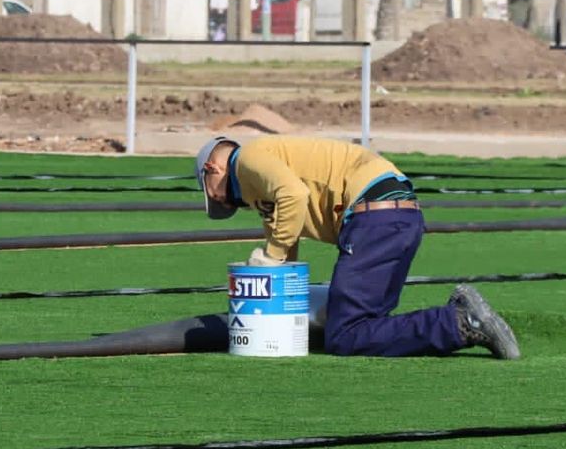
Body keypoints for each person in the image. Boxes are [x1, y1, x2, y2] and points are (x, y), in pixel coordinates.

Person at [195, 135, 520, 360]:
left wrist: (271, 256)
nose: (223, 201)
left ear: (213, 170)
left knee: (346, 335)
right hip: (400, 214)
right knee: (366, 325)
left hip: (373, 215)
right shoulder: (262, 185)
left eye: (214, 193)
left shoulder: (250, 158)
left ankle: (458, 323)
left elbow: (293, 196)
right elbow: (286, 235)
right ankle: (458, 319)